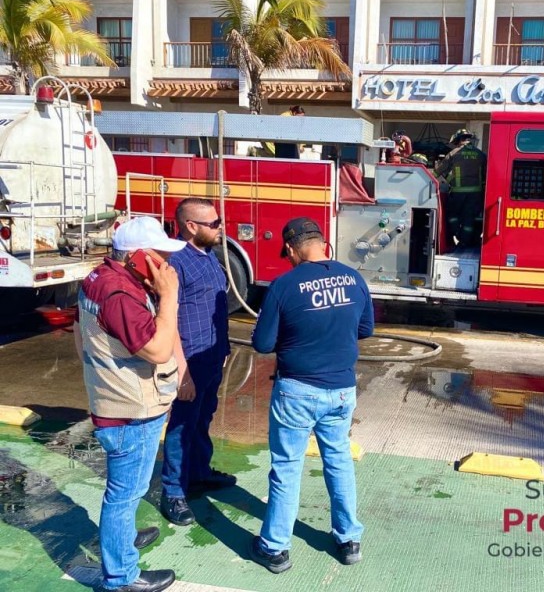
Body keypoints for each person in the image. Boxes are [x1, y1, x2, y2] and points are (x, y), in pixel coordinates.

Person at [250, 217, 374, 574]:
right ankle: (349, 540)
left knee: (287, 467)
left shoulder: (284, 286)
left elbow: (261, 343)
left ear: (291, 248)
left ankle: (275, 548)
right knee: (338, 460)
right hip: (341, 391)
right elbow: (365, 328)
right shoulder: (354, 278)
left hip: (297, 391)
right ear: (322, 243)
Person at [74, 216, 185, 592]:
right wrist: (169, 296)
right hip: (130, 411)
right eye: (160, 256)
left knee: (125, 492)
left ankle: (120, 540)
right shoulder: (120, 295)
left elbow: (80, 334)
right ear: (138, 257)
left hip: (115, 402)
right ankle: (121, 577)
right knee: (124, 494)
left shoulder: (99, 279)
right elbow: (157, 348)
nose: (167, 266)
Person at [160, 198, 234, 527]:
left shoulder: (210, 256)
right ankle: (173, 492)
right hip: (189, 359)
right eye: (214, 224)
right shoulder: (177, 262)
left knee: (203, 419)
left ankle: (199, 473)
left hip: (212, 356)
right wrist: (182, 372)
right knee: (181, 427)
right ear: (192, 226)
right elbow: (169, 318)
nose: (221, 228)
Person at [434, 129, 488, 249]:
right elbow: (486, 175)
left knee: (452, 215)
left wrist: (447, 179)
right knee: (469, 218)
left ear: (458, 140)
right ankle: (465, 242)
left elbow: (437, 172)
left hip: (458, 192)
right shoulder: (481, 155)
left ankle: (456, 235)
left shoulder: (454, 154)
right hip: (476, 193)